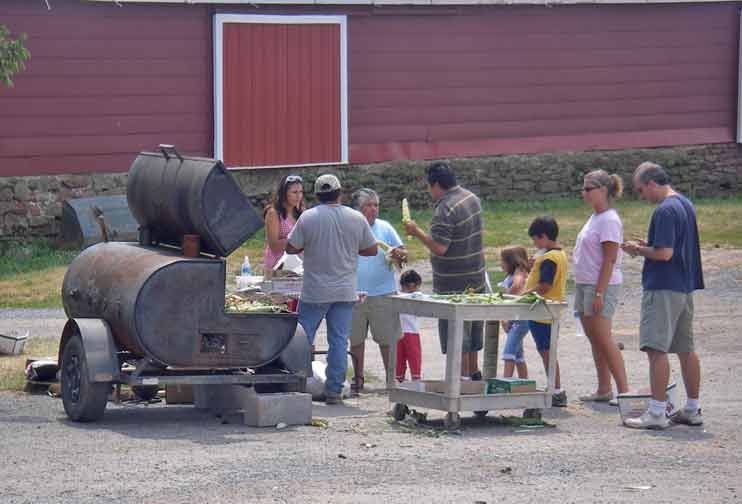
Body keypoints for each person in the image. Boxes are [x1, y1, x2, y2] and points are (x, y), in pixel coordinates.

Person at [622, 162, 704, 429]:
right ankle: (692, 408)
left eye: (640, 190)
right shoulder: (684, 204)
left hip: (663, 286)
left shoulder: (664, 210)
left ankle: (657, 413)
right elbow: (673, 247)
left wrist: (637, 249)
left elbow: (664, 254)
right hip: (684, 285)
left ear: (652, 184)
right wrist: (649, 245)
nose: (641, 196)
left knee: (656, 349)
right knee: (685, 348)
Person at [286, 174, 377, 405]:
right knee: (339, 341)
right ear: (340, 193)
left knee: (303, 338)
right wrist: (349, 249)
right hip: (345, 290)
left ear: (317, 195)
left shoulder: (308, 217)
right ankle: (334, 390)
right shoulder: (355, 218)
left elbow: (291, 246)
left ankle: (297, 385)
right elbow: (372, 249)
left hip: (315, 290)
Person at [403, 161, 485, 379]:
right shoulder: (471, 198)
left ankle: (460, 383)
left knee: (457, 338)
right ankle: (474, 375)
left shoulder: (445, 208)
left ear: (437, 185)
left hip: (453, 286)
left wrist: (416, 231)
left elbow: (440, 247)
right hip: (476, 278)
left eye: (429, 186)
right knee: (473, 335)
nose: (429, 191)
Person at [573, 170, 630, 404]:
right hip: (585, 283)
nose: (583, 192)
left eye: (588, 189)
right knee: (595, 339)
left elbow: (610, 260)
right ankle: (604, 388)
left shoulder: (609, 220)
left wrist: (599, 292)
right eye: (583, 188)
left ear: (603, 190)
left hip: (599, 286)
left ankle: (624, 391)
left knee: (604, 339)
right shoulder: (595, 217)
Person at [349, 188, 407, 393]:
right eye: (369, 205)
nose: (374, 209)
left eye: (376, 205)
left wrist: (398, 254)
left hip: (383, 292)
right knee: (355, 339)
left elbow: (402, 253)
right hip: (354, 292)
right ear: (358, 209)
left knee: (387, 339)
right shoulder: (350, 227)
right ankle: (358, 379)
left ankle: (391, 379)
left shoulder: (385, 227)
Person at [525, 216, 568, 407]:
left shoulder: (549, 259)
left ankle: (556, 390)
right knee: (547, 351)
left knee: (547, 352)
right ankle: (555, 388)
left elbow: (544, 285)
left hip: (543, 313)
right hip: (550, 312)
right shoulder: (558, 254)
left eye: (535, 239)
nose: (534, 244)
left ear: (543, 236)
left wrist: (525, 294)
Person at [263, 174, 304, 278]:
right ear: (284, 194)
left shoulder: (301, 213)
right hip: (278, 267)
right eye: (294, 192)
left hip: (298, 267)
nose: (298, 196)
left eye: (301, 192)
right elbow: (274, 246)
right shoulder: (273, 213)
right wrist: (297, 239)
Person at [499, 246, 531, 379]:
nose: (501, 264)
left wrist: (507, 297)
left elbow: (517, 285)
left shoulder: (519, 272)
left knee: (509, 352)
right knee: (518, 355)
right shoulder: (513, 274)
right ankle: (525, 383)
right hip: (516, 319)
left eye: (503, 261)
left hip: (519, 321)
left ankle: (505, 384)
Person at [396, 269, 424, 382]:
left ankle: (398, 379)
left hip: (397, 332)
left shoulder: (396, 295)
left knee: (398, 359)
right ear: (413, 285)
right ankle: (416, 379)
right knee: (414, 358)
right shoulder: (416, 296)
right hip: (412, 332)